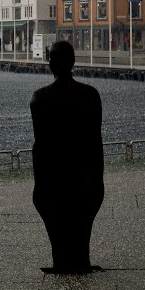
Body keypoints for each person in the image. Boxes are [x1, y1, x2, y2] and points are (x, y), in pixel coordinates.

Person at [30, 40, 104, 274]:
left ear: (50, 63)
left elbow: (39, 146)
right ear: (73, 62)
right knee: (82, 224)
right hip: (84, 177)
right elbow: (95, 143)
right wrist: (97, 180)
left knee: (56, 221)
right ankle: (81, 260)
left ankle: (62, 260)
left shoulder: (39, 98)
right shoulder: (90, 96)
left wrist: (39, 184)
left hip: (52, 179)